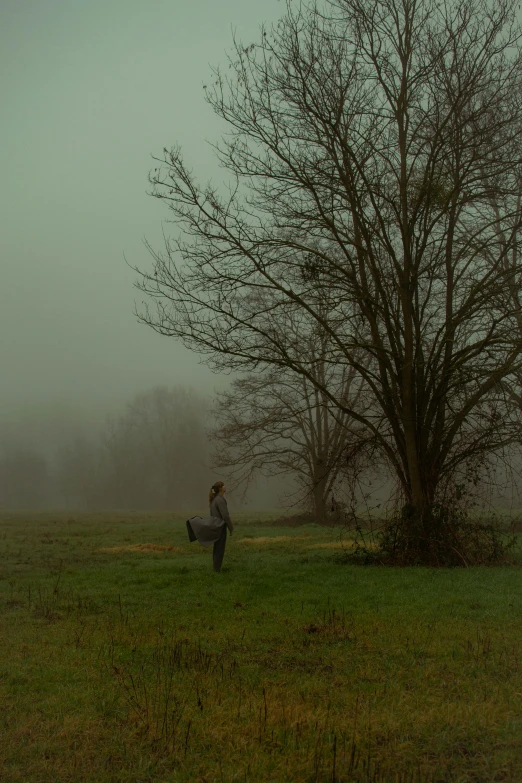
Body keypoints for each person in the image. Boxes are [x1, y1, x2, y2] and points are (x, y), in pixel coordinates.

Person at [186, 481, 234, 572]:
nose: (225, 486)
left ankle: (216, 568)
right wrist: (231, 528)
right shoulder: (220, 500)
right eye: (223, 485)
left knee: (217, 548)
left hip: (215, 526)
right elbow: (225, 516)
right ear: (220, 488)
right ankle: (217, 569)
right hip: (220, 527)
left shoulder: (215, 499)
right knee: (220, 548)